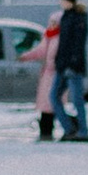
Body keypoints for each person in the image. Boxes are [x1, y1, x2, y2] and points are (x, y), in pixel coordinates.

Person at [52, 0, 88, 141]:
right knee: (54, 97)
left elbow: (78, 43)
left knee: (77, 100)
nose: (60, 2)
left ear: (68, 0)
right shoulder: (66, 16)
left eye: (62, 0)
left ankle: (83, 131)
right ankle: (70, 128)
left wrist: (73, 63)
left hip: (74, 67)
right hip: (62, 65)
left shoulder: (78, 18)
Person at [32, 14, 60, 143]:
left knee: (50, 104)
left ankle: (47, 130)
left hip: (54, 75)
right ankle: (46, 129)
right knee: (48, 104)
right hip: (48, 75)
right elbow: (41, 51)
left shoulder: (58, 38)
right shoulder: (49, 37)